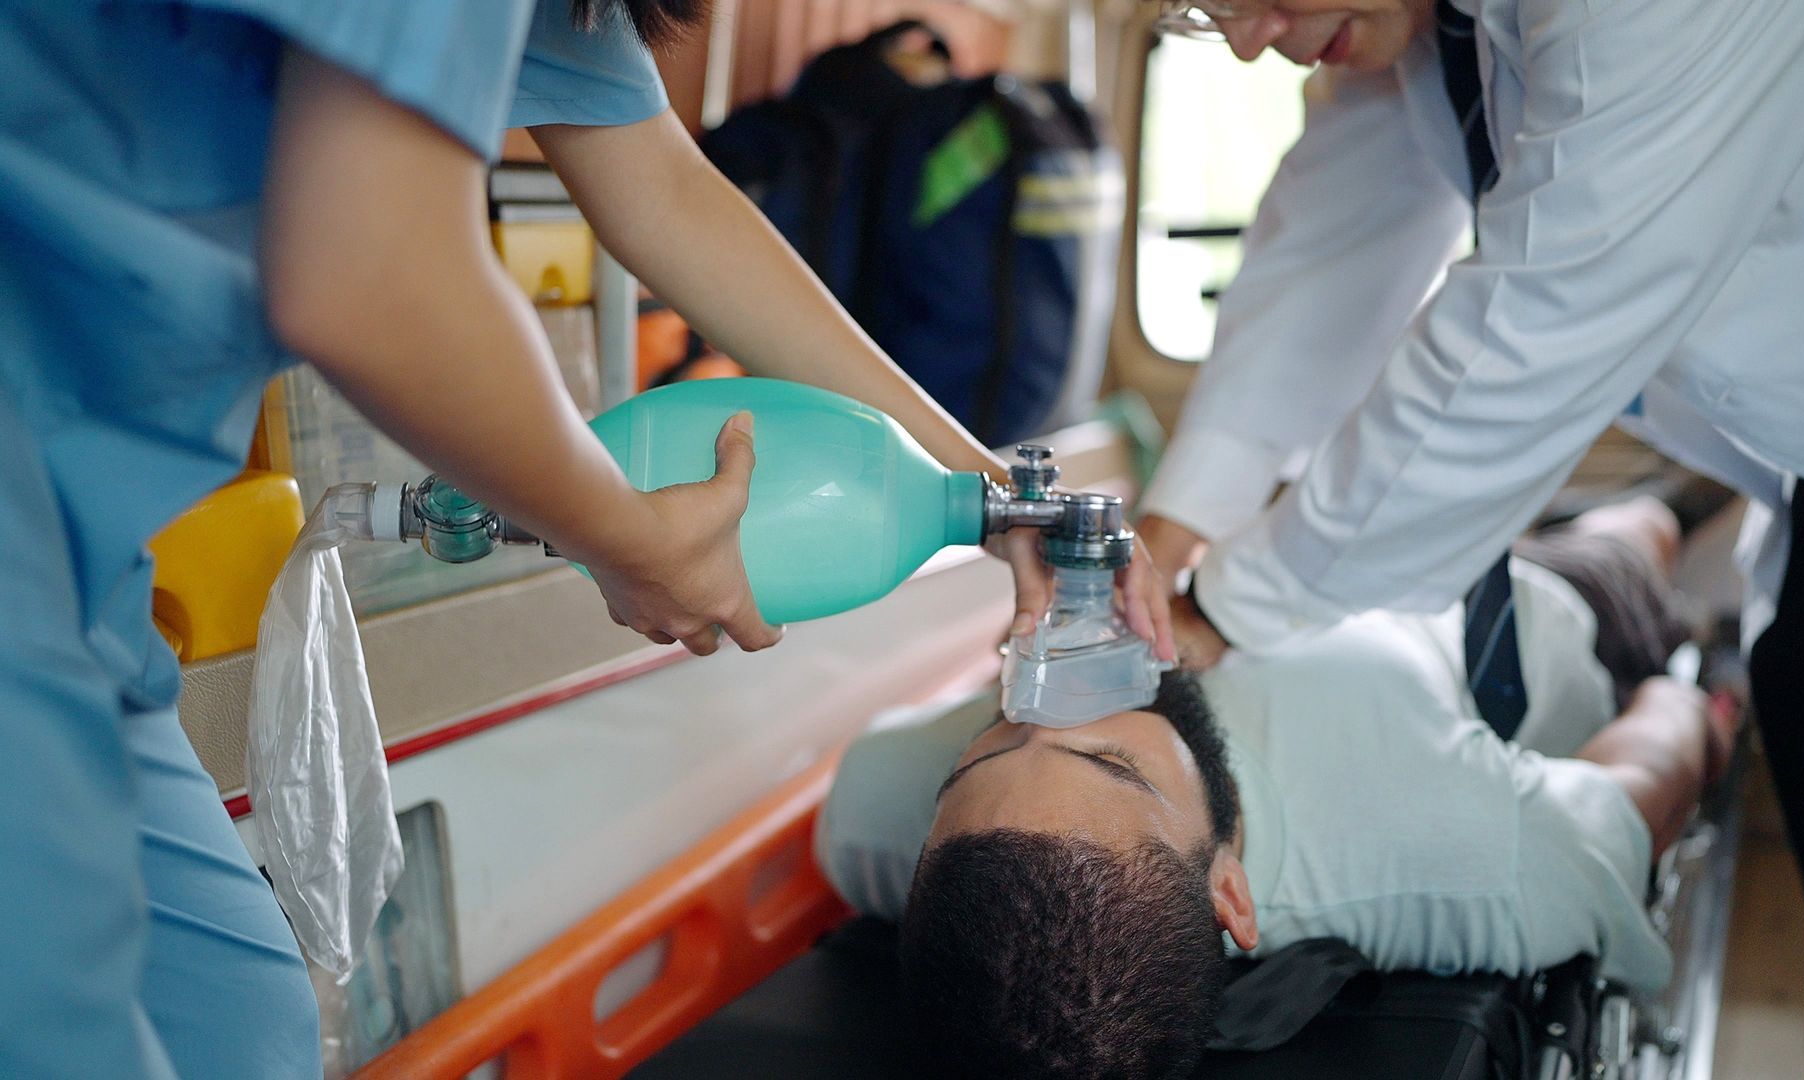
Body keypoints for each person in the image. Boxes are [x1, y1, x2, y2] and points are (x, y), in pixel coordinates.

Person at [0, 2, 1170, 1075]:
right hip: (28, 510)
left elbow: (665, 191)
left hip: (82, 546)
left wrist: (992, 491)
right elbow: (365, 275)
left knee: (242, 1026)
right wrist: (628, 539)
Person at [1133, 3, 1804, 1072]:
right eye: (1201, 7)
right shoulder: (1413, 27)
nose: (1245, 40)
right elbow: (1342, 228)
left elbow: (1551, 306)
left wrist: (1223, 604)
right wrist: (1164, 543)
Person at [819, 498, 1736, 1076]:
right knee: (1636, 531)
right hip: (1519, 604)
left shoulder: (875, 806)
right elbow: (1654, 770)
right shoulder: (1466, 853)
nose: (1048, 704)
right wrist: (1698, 706)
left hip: (1312, 519)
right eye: (1112, 764)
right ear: (1229, 891)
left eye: (986, 746)